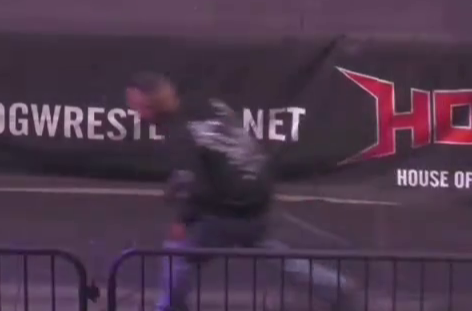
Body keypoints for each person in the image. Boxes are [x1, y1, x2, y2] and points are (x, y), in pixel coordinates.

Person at [125, 73, 351, 311]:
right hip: (257, 196)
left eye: (136, 107)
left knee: (177, 252)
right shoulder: (208, 104)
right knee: (271, 249)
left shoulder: (179, 135)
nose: (135, 113)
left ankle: (169, 307)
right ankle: (336, 286)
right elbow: (217, 156)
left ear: (151, 106)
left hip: (231, 209)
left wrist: (183, 220)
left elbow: (197, 184)